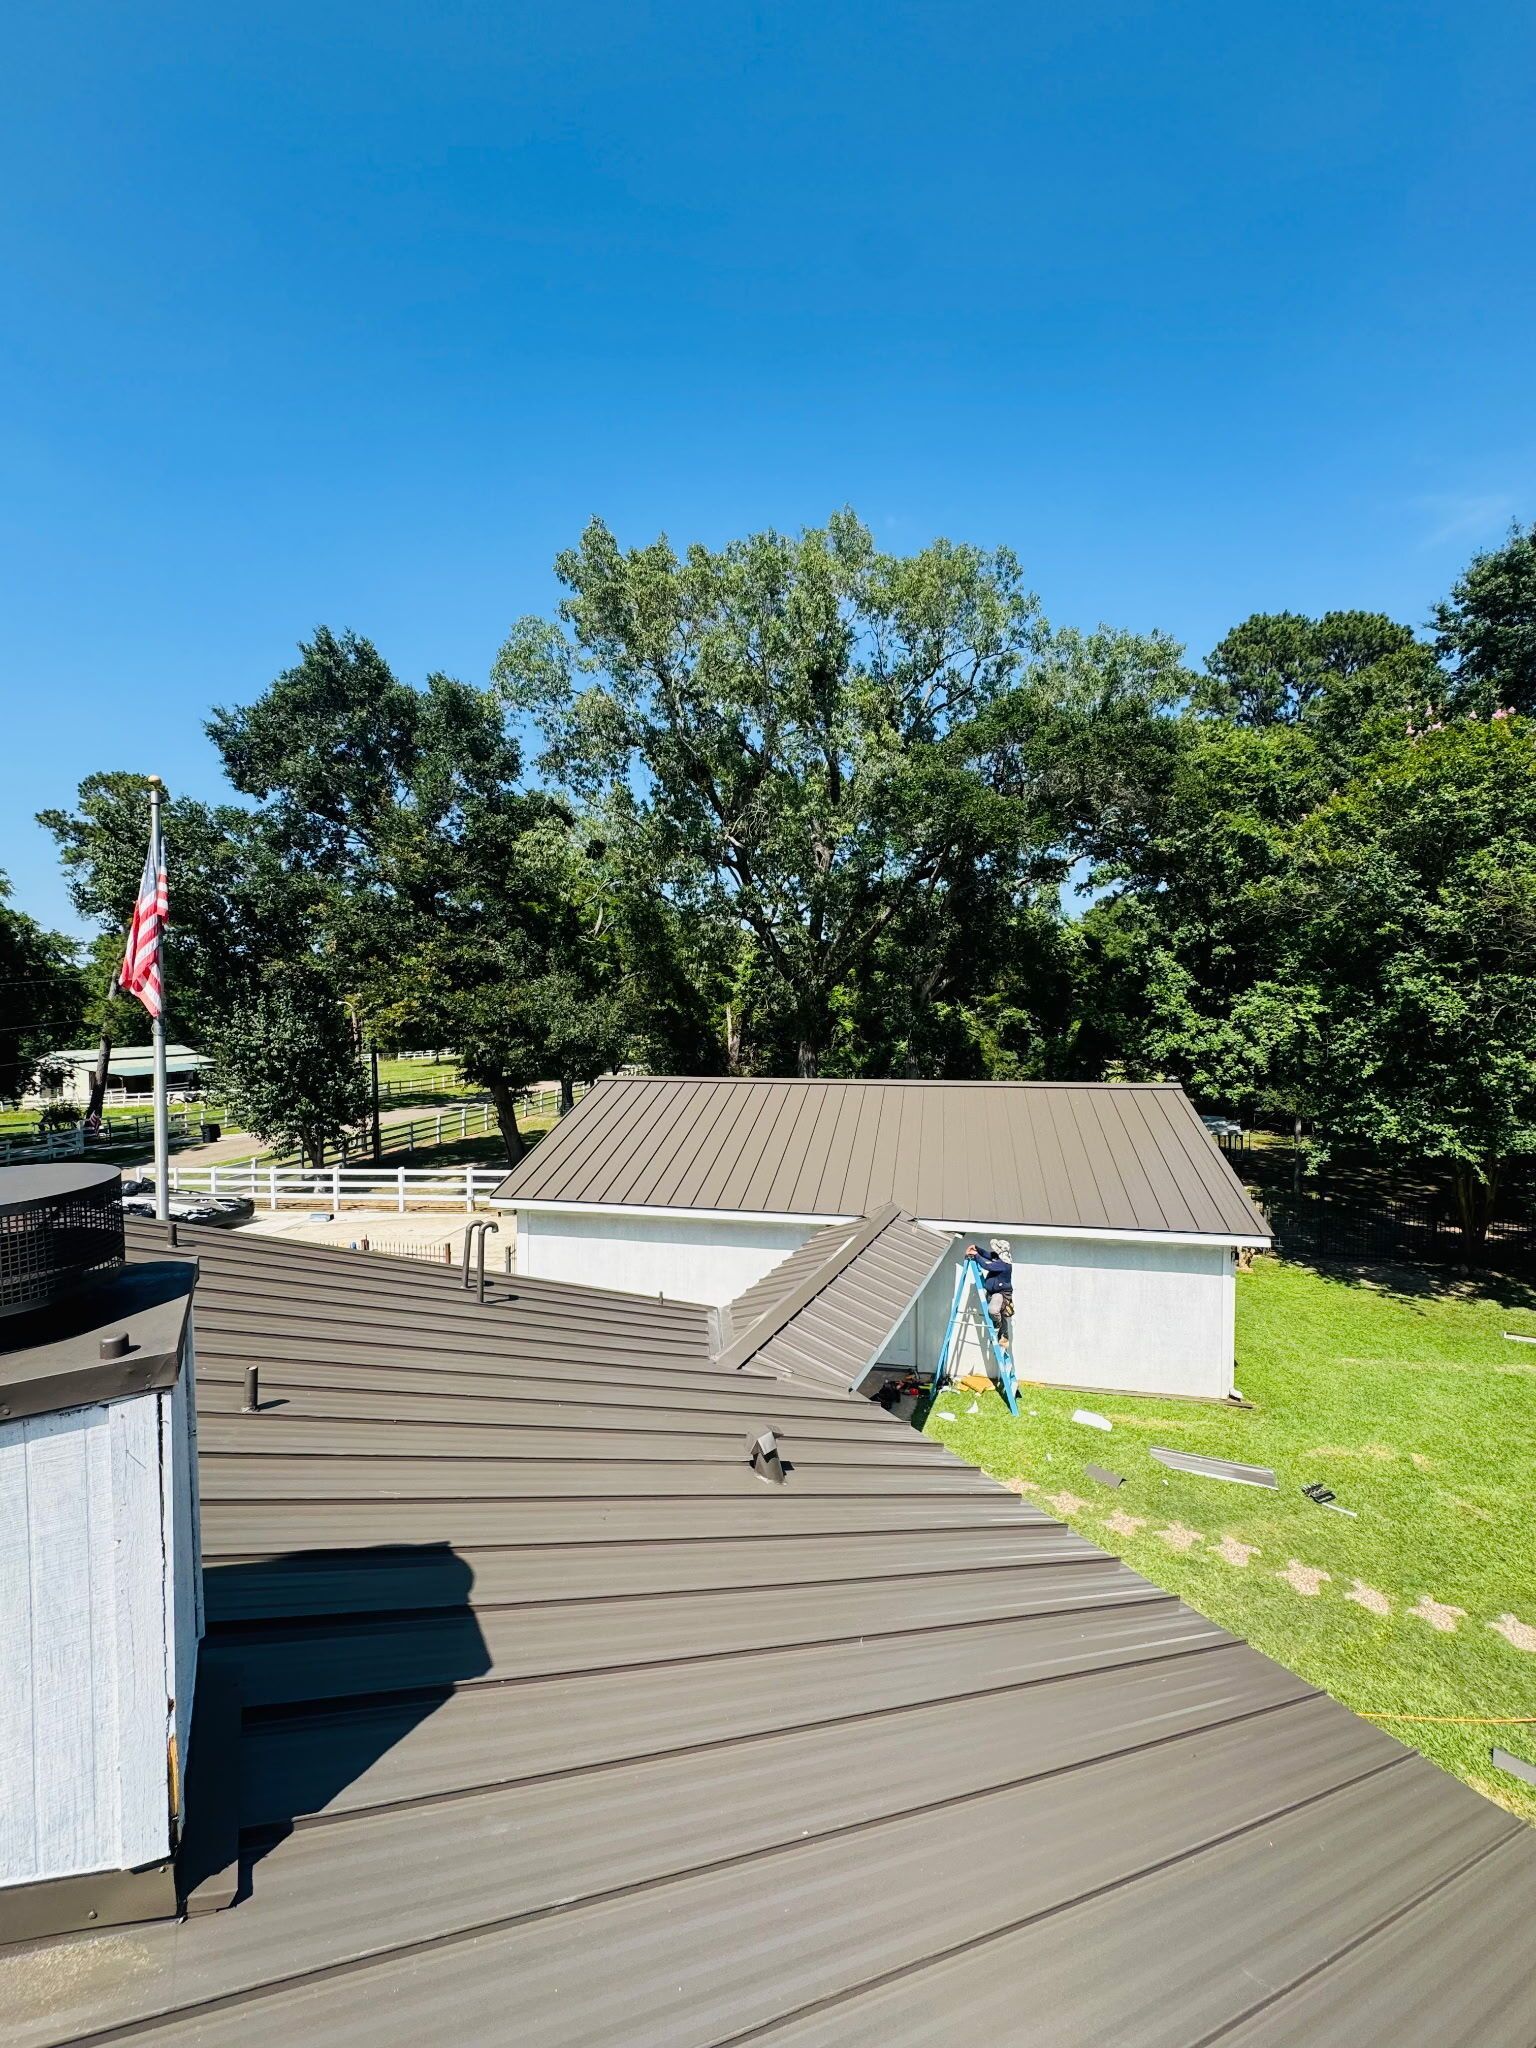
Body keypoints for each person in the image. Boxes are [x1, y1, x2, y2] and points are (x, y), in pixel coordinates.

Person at [964, 1237, 1013, 1347]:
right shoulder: (999, 1258)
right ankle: (1002, 1336)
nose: (995, 1252)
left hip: (1001, 1293)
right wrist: (977, 1248)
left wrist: (975, 1255)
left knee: (993, 1310)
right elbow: (988, 1255)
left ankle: (998, 1326)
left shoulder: (1004, 1264)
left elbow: (986, 1265)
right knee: (1000, 1313)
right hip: (994, 1291)